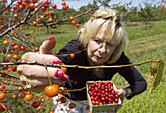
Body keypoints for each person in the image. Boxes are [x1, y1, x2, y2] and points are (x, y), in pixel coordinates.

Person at [17, 9, 147, 113]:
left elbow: (140, 82)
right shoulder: (76, 50)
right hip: (68, 102)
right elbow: (61, 60)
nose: (102, 50)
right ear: (87, 38)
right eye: (97, 41)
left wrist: (124, 92)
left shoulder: (118, 58)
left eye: (110, 44)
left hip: (97, 104)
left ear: (116, 47)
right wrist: (47, 65)